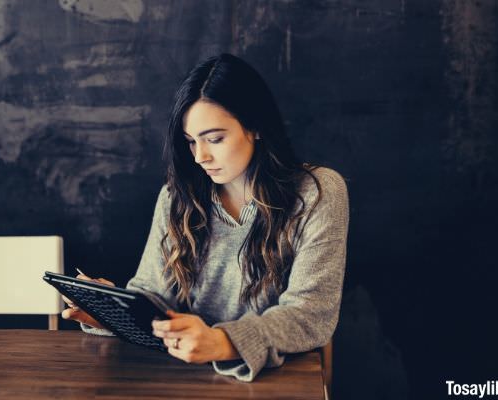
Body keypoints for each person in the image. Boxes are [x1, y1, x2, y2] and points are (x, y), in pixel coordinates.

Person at [61, 53, 349, 382]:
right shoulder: (176, 197)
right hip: (185, 378)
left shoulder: (318, 193)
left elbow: (311, 314)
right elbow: (155, 298)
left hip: (280, 380)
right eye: (191, 142)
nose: (200, 156)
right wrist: (112, 313)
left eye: (214, 139)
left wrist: (223, 342)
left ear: (254, 126)